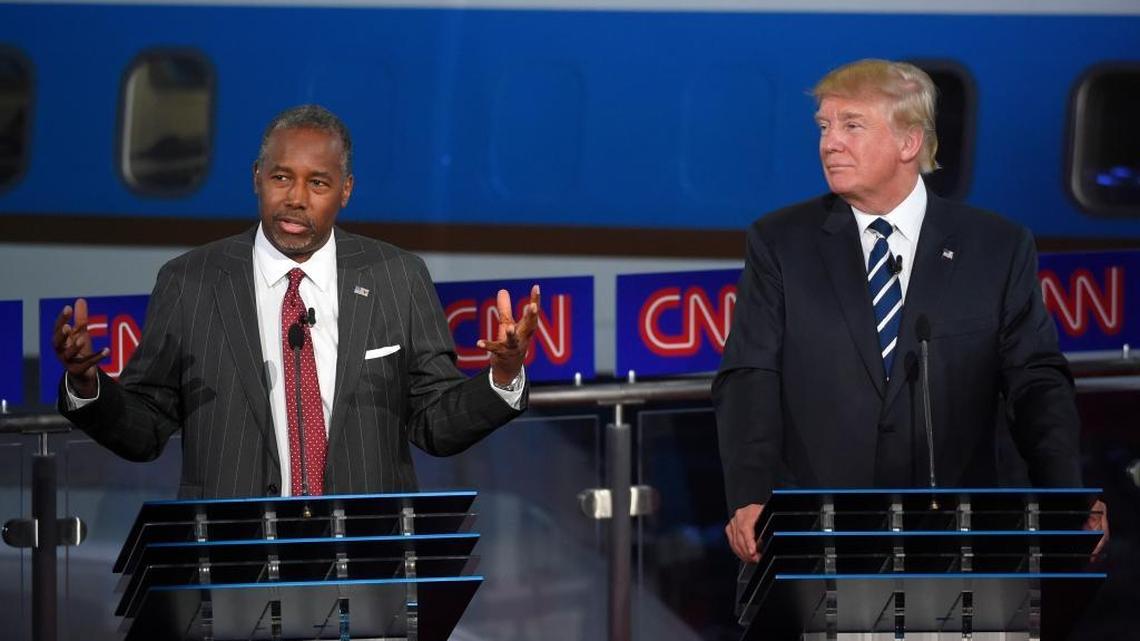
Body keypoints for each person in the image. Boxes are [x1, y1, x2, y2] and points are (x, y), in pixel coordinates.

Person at [713, 59, 1098, 564]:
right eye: (825, 127)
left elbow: (1036, 383)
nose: (830, 143)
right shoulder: (781, 242)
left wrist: (1066, 499)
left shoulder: (996, 247)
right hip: (817, 536)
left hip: (958, 542)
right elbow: (750, 373)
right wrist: (751, 494)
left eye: (852, 125)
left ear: (909, 143)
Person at [53, 104, 539, 499]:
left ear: (345, 191)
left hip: (367, 555)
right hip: (232, 558)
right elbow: (145, 431)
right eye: (282, 178)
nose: (296, 198)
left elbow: (436, 425)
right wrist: (88, 383)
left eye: (318, 183)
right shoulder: (191, 281)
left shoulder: (397, 276)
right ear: (257, 177)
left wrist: (502, 376)